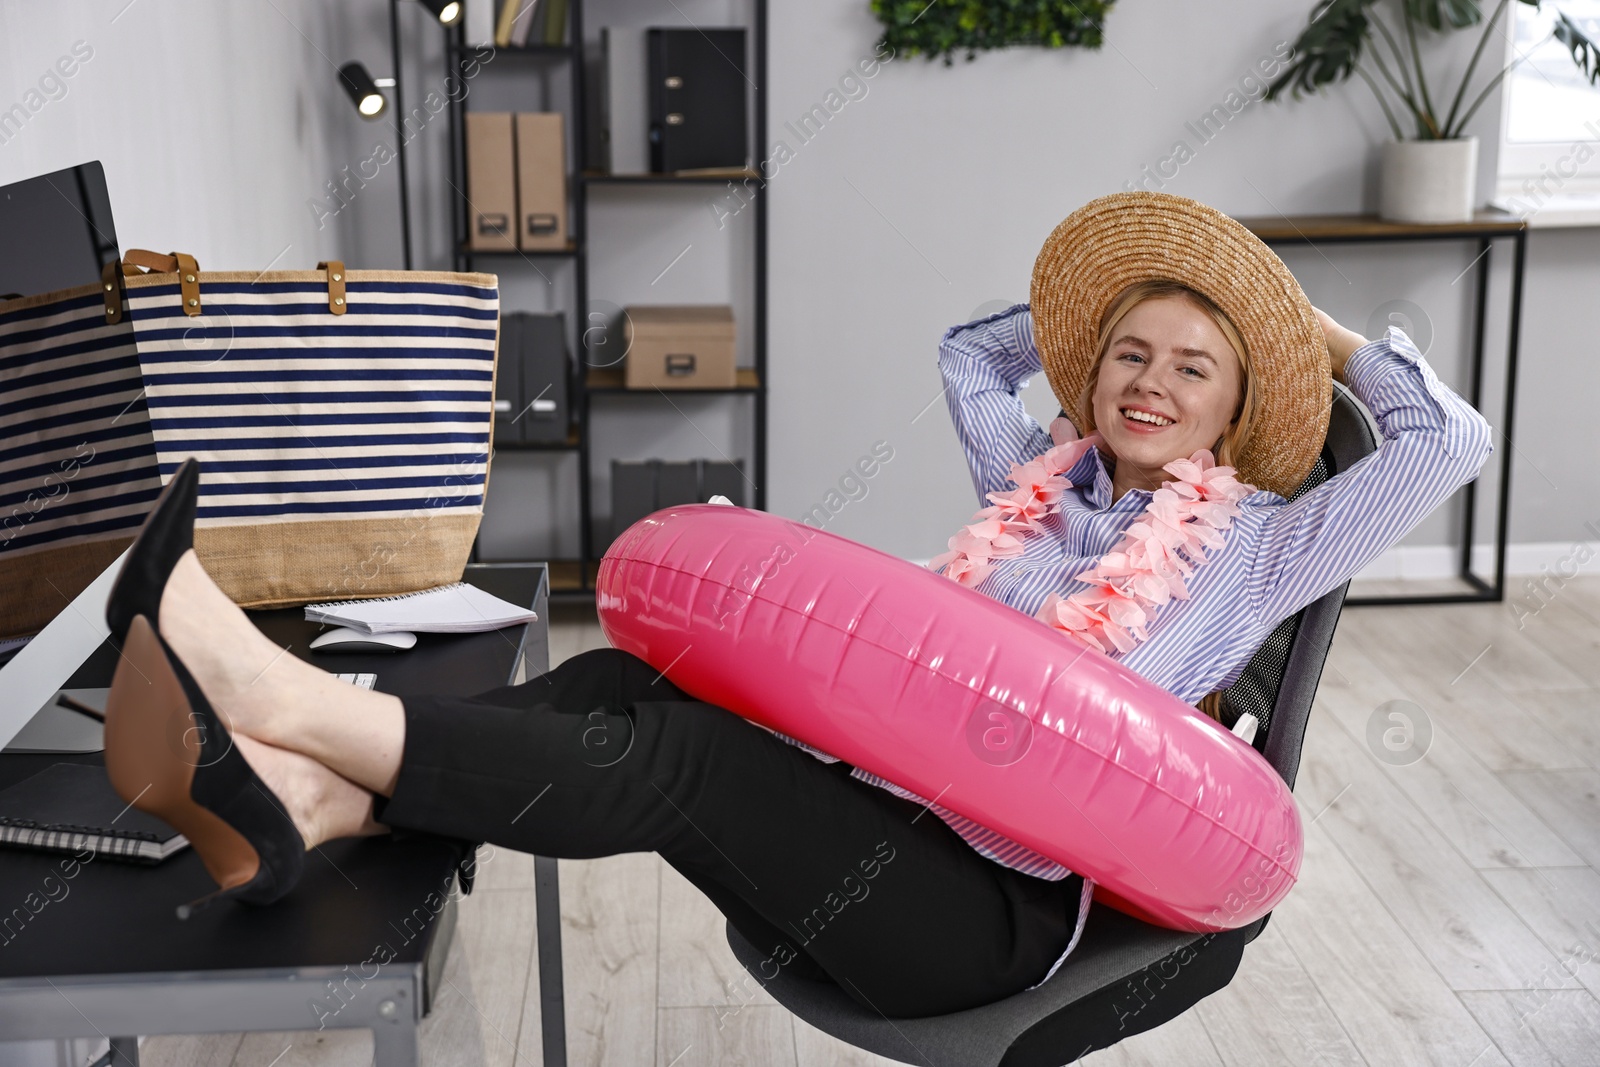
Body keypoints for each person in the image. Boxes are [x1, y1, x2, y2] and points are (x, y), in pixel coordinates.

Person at [97, 191, 1493, 1020]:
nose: (1150, 381)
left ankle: (289, 703)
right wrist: (1091, 310)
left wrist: (1293, 322)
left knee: (685, 758)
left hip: (978, 916)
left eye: (1195, 369)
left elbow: (1448, 443)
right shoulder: (1040, 476)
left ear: (1242, 410)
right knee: (623, 692)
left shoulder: (1259, 544)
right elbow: (969, 358)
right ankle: (316, 803)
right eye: (1128, 351)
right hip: (868, 806)